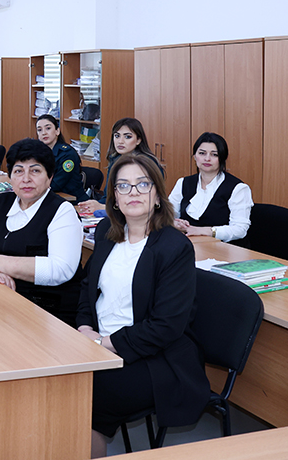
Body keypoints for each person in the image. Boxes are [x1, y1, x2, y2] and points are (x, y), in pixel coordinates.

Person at [76, 153, 209, 458]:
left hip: (156, 358)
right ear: (114, 198)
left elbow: (165, 327)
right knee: (53, 378)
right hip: (98, 343)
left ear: (158, 196)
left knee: (87, 393)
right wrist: (84, 328)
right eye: (123, 186)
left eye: (143, 184)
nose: (133, 192)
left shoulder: (175, 247)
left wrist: (102, 343)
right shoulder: (107, 233)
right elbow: (87, 289)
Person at [0, 139, 85, 325]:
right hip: (1, 299)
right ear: (10, 177)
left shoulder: (62, 211)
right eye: (18, 171)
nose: (26, 179)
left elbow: (61, 269)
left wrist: (0, 263)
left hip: (48, 314)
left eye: (35, 171)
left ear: (50, 176)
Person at [168, 132, 253, 242]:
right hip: (189, 244)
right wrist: (175, 223)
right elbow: (167, 214)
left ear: (222, 158)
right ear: (194, 156)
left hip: (224, 248)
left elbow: (240, 229)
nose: (207, 158)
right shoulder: (183, 183)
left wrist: (205, 231)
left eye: (214, 155)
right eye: (202, 153)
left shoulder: (238, 188)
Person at [78, 118, 162, 213]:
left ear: (138, 140)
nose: (120, 141)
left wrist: (103, 208)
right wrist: (94, 205)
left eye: (128, 137)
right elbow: (108, 197)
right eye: (117, 136)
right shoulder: (115, 160)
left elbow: (142, 203)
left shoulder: (147, 164)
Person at [36, 114, 90, 202]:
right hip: (52, 198)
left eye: (48, 128)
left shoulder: (67, 154)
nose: (44, 133)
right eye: (39, 130)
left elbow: (56, 184)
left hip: (73, 201)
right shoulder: (38, 153)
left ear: (57, 131)